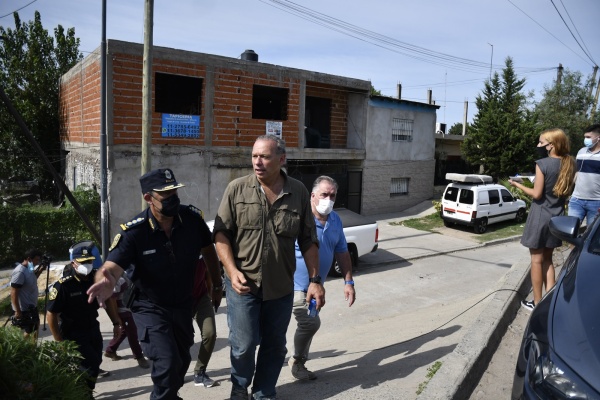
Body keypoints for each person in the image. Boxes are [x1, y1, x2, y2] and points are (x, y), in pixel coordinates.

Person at [86, 168, 222, 400]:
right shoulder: (134, 232)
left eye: (174, 193)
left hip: (183, 303)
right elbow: (111, 268)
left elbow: (209, 251)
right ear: (149, 198)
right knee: (166, 361)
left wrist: (216, 285)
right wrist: (105, 280)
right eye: (166, 195)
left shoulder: (191, 220)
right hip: (150, 306)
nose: (173, 199)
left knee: (181, 361)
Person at [213, 134, 324, 400]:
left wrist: (315, 280)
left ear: (281, 159)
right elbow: (221, 234)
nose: (257, 162)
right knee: (244, 344)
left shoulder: (298, 191)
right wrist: (231, 271)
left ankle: (264, 392)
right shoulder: (237, 189)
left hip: (280, 287)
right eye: (254, 156)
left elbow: (308, 239)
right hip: (243, 285)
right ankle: (240, 388)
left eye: (264, 156)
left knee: (274, 345)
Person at [289, 176, 356, 381]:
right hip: (293, 286)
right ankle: (296, 361)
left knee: (309, 322)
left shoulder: (335, 220)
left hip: (316, 287)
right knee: (310, 323)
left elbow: (342, 252)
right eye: (324, 194)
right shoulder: (300, 218)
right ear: (313, 196)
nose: (328, 199)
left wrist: (348, 282)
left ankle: (299, 363)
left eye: (332, 195)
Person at [509, 128, 575, 311]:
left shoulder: (542, 164)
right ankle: (550, 301)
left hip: (540, 216)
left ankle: (537, 303)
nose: (539, 145)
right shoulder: (569, 163)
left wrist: (517, 185)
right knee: (548, 259)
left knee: (536, 260)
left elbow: (537, 194)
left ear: (551, 145)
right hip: (556, 217)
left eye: (541, 142)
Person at [46, 241, 119, 396]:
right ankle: (85, 394)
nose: (87, 265)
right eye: (83, 262)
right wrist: (59, 340)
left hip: (93, 327)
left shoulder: (96, 279)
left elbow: (108, 300)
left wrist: (116, 323)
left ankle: (82, 391)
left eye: (89, 262)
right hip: (73, 332)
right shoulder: (64, 285)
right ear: (74, 263)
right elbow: (51, 314)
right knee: (89, 364)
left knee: (96, 361)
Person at [103, 274, 150, 369]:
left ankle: (110, 350)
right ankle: (139, 356)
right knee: (133, 334)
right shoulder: (117, 279)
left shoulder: (127, 274)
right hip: (124, 312)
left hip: (130, 309)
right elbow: (112, 300)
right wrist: (116, 318)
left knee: (125, 331)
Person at [191, 257, 221, 388]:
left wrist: (210, 293)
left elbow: (208, 272)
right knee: (183, 340)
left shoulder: (203, 250)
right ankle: (175, 371)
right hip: (179, 301)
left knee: (210, 333)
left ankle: (200, 372)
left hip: (201, 297)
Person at [568, 124, 600, 226]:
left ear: (598, 137)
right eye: (585, 137)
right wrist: (569, 191)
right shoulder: (581, 151)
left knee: (592, 234)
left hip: (596, 202)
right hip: (576, 200)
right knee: (570, 230)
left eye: (588, 137)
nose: (585, 140)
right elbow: (577, 173)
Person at [10, 248, 44, 338]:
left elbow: (32, 279)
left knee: (36, 326)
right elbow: (13, 292)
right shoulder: (19, 272)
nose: (38, 262)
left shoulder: (29, 268)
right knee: (29, 331)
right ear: (29, 259)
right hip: (24, 308)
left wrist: (40, 270)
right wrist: (17, 310)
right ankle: (24, 346)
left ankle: (33, 346)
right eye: (36, 260)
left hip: (32, 305)